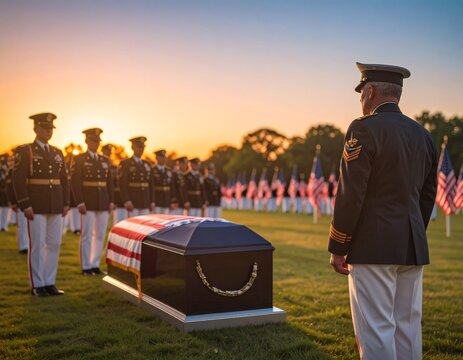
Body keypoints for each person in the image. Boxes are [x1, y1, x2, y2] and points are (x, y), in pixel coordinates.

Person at [328, 63, 438, 359]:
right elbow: (427, 198)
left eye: (362, 93)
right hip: (412, 245)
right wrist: (412, 233)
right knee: (407, 327)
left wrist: (339, 246)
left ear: (371, 91)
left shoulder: (363, 129)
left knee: (376, 330)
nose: (361, 100)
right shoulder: (423, 135)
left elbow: (352, 193)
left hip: (372, 246)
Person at [12, 113, 69, 296]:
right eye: (45, 128)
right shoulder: (25, 151)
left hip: (56, 204)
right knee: (37, 245)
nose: (48, 131)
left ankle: (49, 282)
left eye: (51, 128)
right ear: (35, 128)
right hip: (35, 205)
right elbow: (18, 180)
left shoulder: (57, 152)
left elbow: (64, 180)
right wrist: (25, 204)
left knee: (54, 244)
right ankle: (37, 285)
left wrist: (66, 202)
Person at [71, 128, 113, 276]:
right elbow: (75, 183)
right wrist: (79, 202)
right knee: (87, 234)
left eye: (98, 141)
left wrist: (111, 201)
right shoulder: (79, 159)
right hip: (87, 202)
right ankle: (86, 267)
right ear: (87, 141)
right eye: (93, 140)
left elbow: (110, 183)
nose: (96, 143)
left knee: (100, 234)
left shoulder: (105, 160)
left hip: (102, 201)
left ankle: (95, 264)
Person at [118, 136, 154, 218]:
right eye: (139, 147)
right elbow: (122, 184)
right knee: (132, 227)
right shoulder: (126, 163)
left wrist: (152, 201)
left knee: (145, 228)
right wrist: (126, 200)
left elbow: (151, 184)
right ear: (133, 147)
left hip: (145, 201)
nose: (141, 149)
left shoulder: (147, 164)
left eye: (143, 147)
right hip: (132, 201)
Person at [101, 144, 125, 225]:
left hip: (116, 198)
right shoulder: (99, 166)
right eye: (107, 152)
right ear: (102, 151)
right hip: (102, 196)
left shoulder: (115, 167)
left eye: (110, 153)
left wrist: (113, 200)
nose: (109, 154)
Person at [152, 149, 172, 215]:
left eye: (164, 157)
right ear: (157, 158)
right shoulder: (152, 170)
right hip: (157, 200)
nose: (163, 159)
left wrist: (172, 200)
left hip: (166, 200)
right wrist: (152, 201)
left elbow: (172, 186)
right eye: (161, 157)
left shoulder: (168, 170)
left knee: (166, 222)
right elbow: (151, 186)